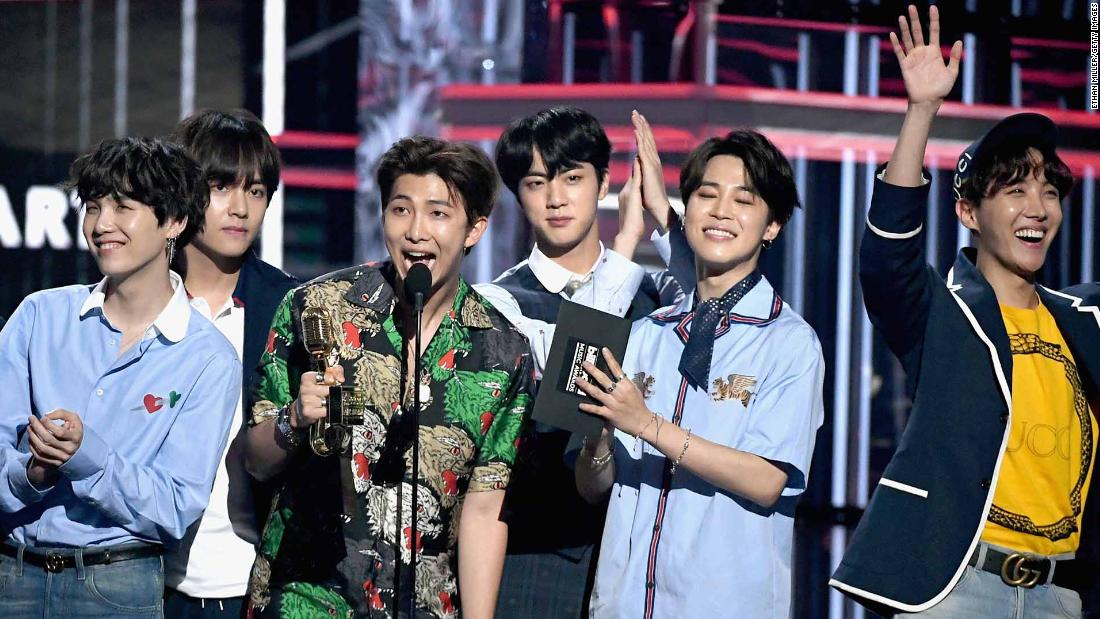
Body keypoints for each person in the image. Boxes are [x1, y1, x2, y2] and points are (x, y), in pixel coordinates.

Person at [829, 5, 1100, 618]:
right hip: (957, 589)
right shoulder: (944, 311)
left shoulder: (1086, 319)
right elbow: (886, 257)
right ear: (969, 213)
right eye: (1015, 190)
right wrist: (921, 110)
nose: (1038, 208)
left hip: (1061, 595)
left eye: (1049, 192)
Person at [244, 136, 535, 619]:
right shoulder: (316, 308)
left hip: (421, 605)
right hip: (306, 598)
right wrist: (292, 419)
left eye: (438, 214)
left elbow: (484, 510)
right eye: (401, 210)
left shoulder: (503, 353)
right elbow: (256, 461)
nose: (416, 232)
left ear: (474, 229)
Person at [571, 120, 825, 618]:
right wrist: (599, 441)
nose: (721, 211)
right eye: (707, 195)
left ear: (772, 226)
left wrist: (647, 425)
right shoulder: (647, 333)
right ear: (687, 211)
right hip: (623, 605)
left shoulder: (790, 342)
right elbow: (593, 488)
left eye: (744, 200)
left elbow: (767, 480)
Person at [0, 137, 241, 617]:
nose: (101, 225)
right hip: (13, 573)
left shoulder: (208, 358)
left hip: (116, 585)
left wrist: (87, 458)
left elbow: (175, 507)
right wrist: (34, 472)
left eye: (122, 208)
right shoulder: (38, 317)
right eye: (93, 207)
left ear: (174, 221)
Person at [474, 106, 676, 618]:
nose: (556, 198)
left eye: (572, 177)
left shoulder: (653, 295)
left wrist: (663, 217)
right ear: (517, 194)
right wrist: (625, 243)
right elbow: (573, 379)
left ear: (604, 182)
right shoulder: (498, 304)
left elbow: (728, 311)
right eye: (536, 182)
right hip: (538, 566)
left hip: (642, 567)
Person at [164, 108, 298, 618]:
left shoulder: (291, 307)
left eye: (257, 191)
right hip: (143, 580)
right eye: (221, 187)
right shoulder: (139, 298)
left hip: (253, 582)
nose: (240, 208)